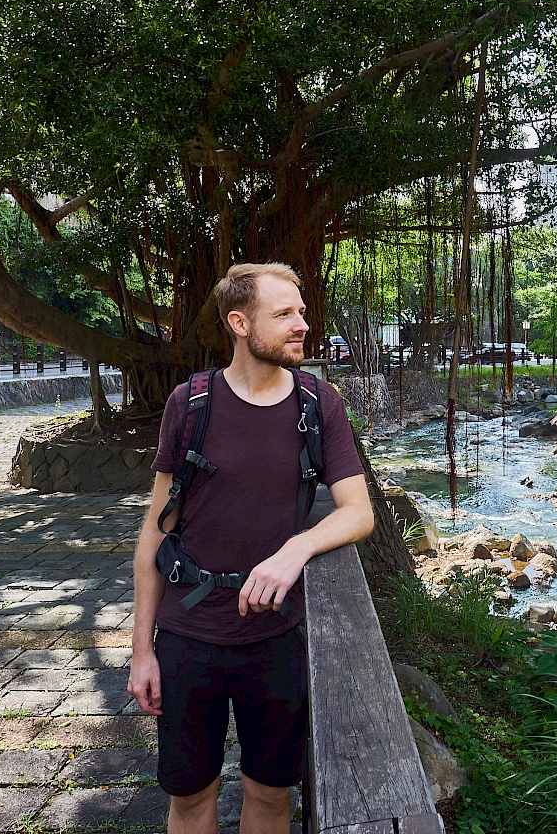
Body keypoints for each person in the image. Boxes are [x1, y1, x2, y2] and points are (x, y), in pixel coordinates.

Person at [128, 262, 374, 834]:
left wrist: (297, 550)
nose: (302, 325)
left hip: (275, 636)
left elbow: (358, 513)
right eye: (283, 314)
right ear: (239, 323)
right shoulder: (190, 405)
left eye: (303, 313)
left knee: (270, 794)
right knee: (190, 798)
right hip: (190, 636)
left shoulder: (318, 403)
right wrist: (142, 651)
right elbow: (155, 532)